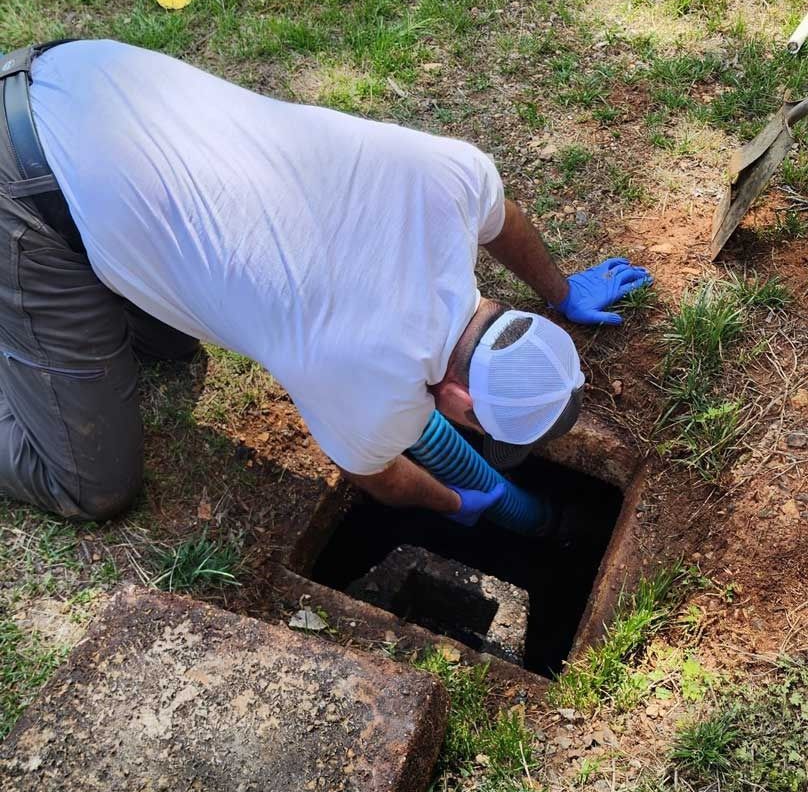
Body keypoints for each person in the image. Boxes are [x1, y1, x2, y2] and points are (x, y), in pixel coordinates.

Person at [0, 40, 651, 525]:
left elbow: (503, 218)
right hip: (27, 192)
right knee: (94, 486)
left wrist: (562, 293)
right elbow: (385, 480)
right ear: (457, 395)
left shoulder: (452, 179)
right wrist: (460, 505)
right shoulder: (364, 383)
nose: (472, 437)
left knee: (169, 352)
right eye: (480, 429)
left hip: (89, 75)